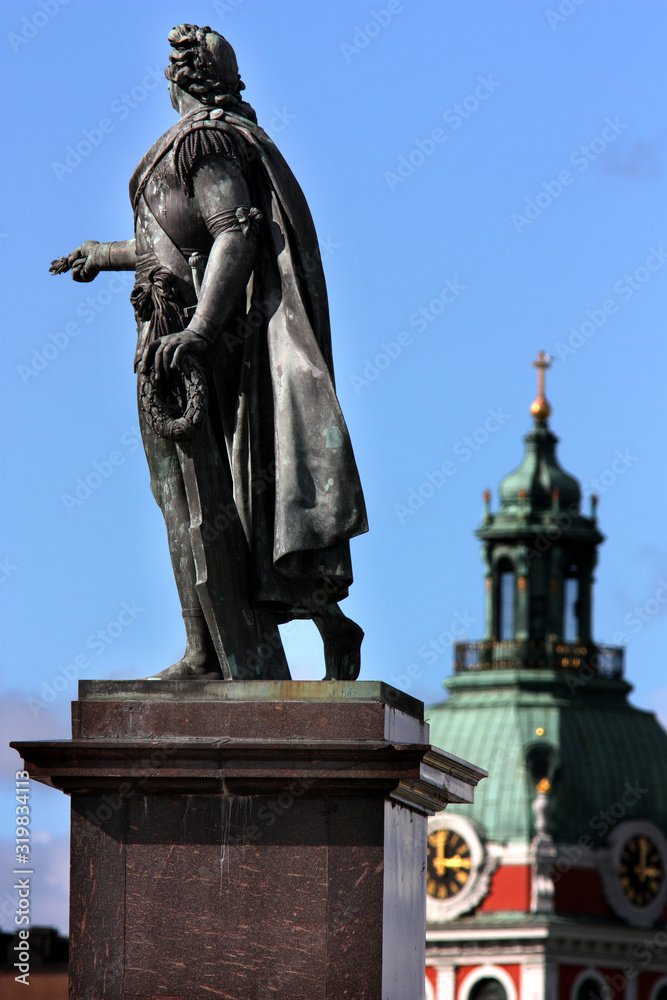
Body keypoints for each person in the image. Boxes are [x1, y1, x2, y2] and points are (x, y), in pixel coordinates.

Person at [51, 24, 368, 681]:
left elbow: (234, 233)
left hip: (205, 344)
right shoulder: (183, 147)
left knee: (220, 501)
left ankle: (307, 627)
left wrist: (199, 332)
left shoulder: (204, 141)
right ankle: (203, 649)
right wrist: (104, 256)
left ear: (179, 81)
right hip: (163, 337)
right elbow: (174, 243)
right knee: (175, 498)